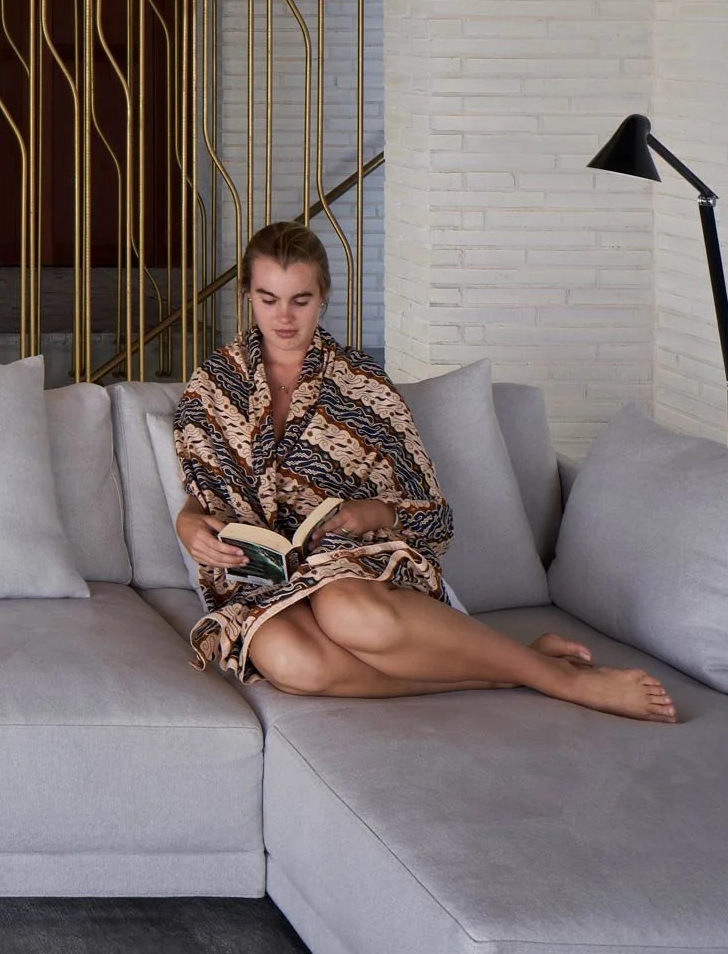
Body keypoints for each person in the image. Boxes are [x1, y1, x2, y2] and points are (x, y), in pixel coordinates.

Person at [172, 221, 676, 722]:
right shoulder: (214, 385)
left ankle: (566, 682)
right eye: (268, 299)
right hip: (259, 581)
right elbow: (203, 491)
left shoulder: (364, 385)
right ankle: (516, 669)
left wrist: (370, 512)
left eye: (300, 300)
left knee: (347, 613)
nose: (284, 317)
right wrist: (189, 524)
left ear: (323, 297)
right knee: (290, 663)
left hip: (349, 565)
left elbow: (432, 512)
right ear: (247, 295)